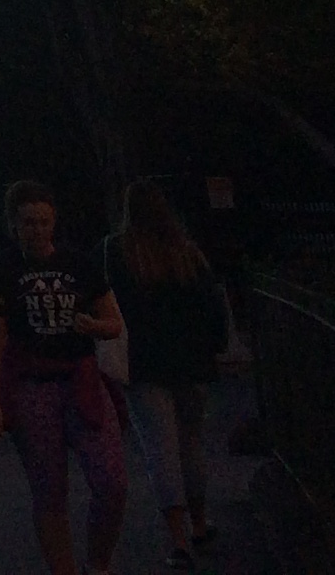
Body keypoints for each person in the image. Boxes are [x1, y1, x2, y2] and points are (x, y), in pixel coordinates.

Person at [0, 180, 128, 575]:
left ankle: (98, 563)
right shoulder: (0, 269)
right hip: (32, 387)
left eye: (44, 222)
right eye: (28, 222)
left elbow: (114, 322)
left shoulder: (79, 264)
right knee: (49, 492)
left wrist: (92, 326)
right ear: (13, 224)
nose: (37, 230)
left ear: (54, 221)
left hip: (81, 380)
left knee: (112, 482)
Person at [109, 180, 229, 565]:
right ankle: (199, 522)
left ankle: (178, 539)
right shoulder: (188, 254)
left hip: (145, 364)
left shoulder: (117, 252)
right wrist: (214, 348)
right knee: (191, 444)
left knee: (160, 449)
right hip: (191, 362)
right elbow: (213, 307)